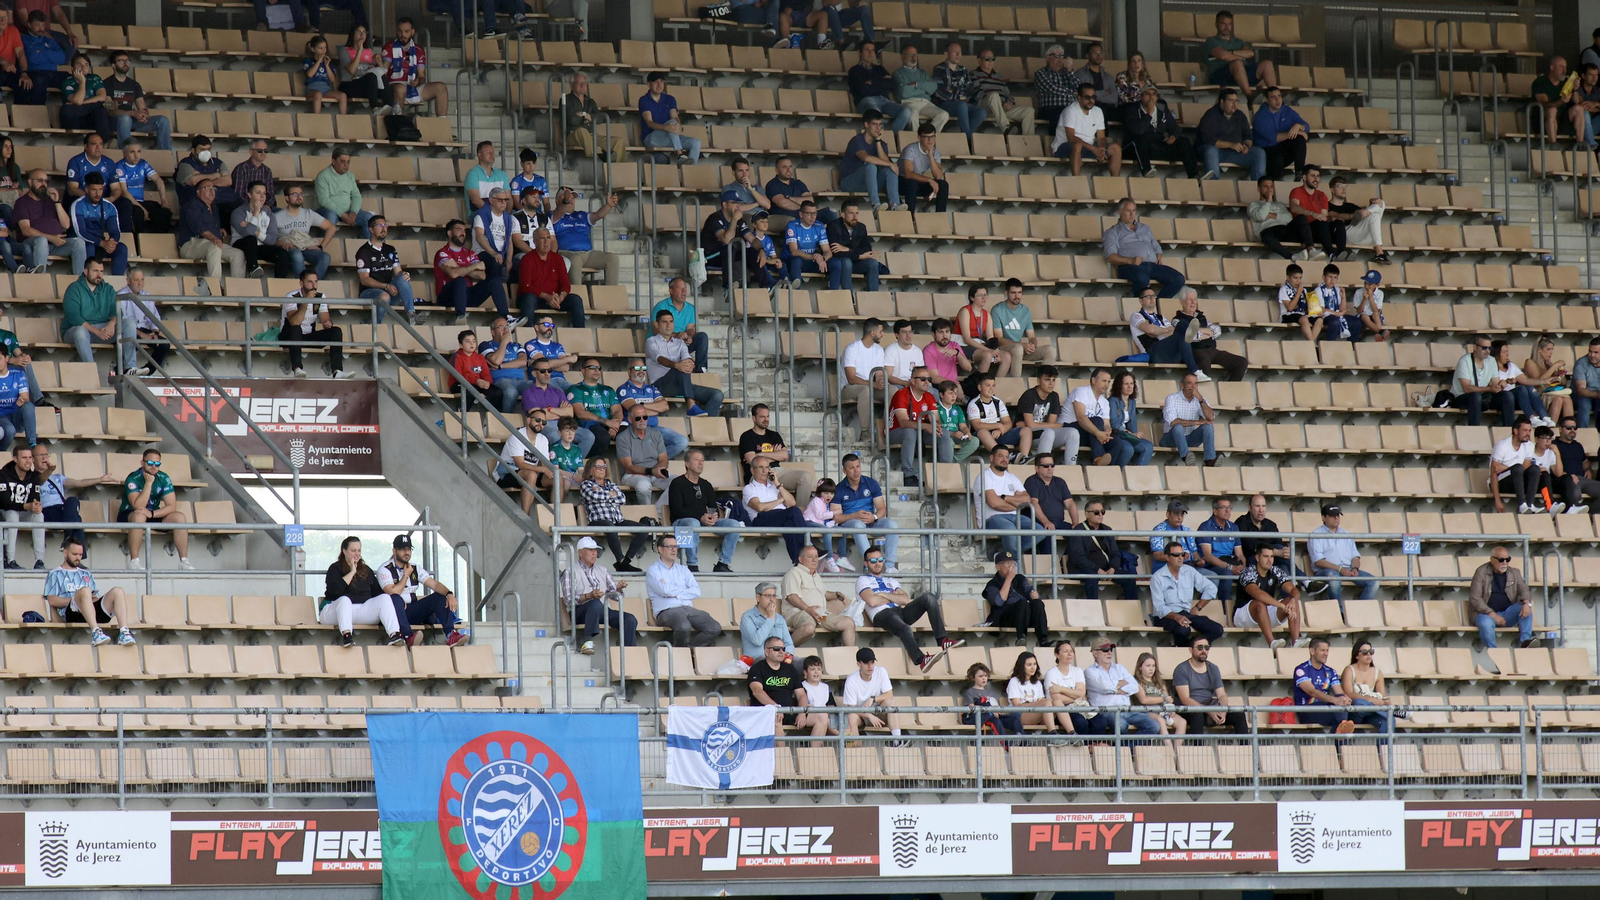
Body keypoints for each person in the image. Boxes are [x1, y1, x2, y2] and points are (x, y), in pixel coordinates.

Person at [855, 550, 960, 674]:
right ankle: (921, 660)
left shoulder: (891, 580)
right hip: (882, 615)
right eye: (872, 561)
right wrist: (893, 596)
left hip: (899, 612)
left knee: (929, 598)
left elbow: (904, 599)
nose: (877, 563)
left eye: (880, 560)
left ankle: (942, 640)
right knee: (905, 628)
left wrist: (882, 594)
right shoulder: (863, 580)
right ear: (866, 563)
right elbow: (872, 601)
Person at [377, 534, 464, 648]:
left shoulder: (415, 568)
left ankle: (451, 634)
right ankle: (408, 637)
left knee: (439, 597)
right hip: (394, 614)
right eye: (402, 549)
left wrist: (449, 594)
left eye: (408, 549)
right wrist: (405, 576)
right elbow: (392, 592)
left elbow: (434, 584)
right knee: (395, 598)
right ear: (394, 551)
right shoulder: (385, 569)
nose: (406, 552)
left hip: (411, 610)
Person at [46, 539, 135, 647]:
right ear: (65, 553)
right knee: (85, 590)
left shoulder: (86, 573)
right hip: (71, 613)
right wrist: (77, 599)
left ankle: (124, 632)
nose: (78, 557)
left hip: (91, 611)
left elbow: (94, 598)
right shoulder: (55, 574)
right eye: (74, 554)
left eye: (80, 554)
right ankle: (96, 633)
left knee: (118, 591)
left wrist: (88, 598)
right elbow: (51, 600)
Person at [666, 449, 742, 574]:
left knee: (734, 524)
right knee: (693, 523)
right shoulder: (677, 483)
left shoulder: (706, 484)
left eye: (702, 460)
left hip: (702, 521)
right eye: (696, 460)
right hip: (681, 522)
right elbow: (677, 510)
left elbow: (713, 507)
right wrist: (701, 518)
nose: (700, 463)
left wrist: (713, 516)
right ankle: (692, 565)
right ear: (687, 463)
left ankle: (722, 563)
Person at [320, 536, 403, 647]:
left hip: (360, 611)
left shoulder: (366, 570)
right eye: (353, 550)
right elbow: (335, 592)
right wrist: (352, 572)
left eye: (359, 550)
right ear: (344, 551)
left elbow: (378, 594)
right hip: (334, 611)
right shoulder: (335, 568)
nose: (357, 554)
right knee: (345, 600)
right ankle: (347, 636)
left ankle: (395, 634)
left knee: (385, 598)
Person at [118, 448, 191, 570]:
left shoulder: (163, 477)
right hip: (130, 514)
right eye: (150, 463)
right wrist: (148, 483)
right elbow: (137, 505)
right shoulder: (133, 478)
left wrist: (152, 513)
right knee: (140, 515)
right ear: (142, 463)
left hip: (151, 514)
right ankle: (134, 561)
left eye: (157, 464)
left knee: (179, 517)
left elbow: (172, 506)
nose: (154, 467)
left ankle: (184, 561)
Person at [578, 458, 652, 572]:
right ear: (591, 470)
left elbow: (622, 499)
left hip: (618, 520)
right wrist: (610, 495)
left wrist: (602, 494)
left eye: (604, 467)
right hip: (598, 520)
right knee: (610, 527)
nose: (602, 469)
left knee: (643, 529)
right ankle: (621, 561)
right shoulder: (586, 484)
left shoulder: (611, 484)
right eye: (598, 467)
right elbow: (594, 497)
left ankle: (626, 561)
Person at [646, 310, 723, 416]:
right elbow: (660, 359)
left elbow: (687, 358)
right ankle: (691, 405)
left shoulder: (680, 343)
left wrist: (691, 364)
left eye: (671, 321)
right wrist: (676, 365)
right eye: (664, 322)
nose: (668, 325)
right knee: (680, 367)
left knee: (717, 394)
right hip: (660, 385)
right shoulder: (651, 341)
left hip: (681, 384)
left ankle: (705, 429)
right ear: (657, 324)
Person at [647, 535, 721, 647]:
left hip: (687, 609)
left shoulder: (683, 569)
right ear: (660, 549)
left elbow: (696, 591)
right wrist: (684, 591)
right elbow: (664, 591)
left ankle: (688, 650)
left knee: (714, 627)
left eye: (676, 547)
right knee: (683, 627)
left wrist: (674, 594)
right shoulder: (653, 570)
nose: (674, 550)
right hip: (666, 611)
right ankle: (680, 653)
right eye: (670, 546)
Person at [36, 443, 111, 551]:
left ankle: (68, 538)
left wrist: (99, 479)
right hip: (46, 511)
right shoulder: (31, 477)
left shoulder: (57, 477)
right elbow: (38, 482)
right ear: (33, 459)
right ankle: (77, 556)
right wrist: (48, 471)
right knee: (77, 519)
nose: (44, 458)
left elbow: (78, 483)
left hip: (62, 511)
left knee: (72, 500)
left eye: (46, 455)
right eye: (40, 455)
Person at [1149, 540, 1224, 647]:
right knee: (1183, 630)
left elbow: (1211, 588)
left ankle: (1192, 647)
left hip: (1186, 614)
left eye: (1182, 554)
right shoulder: (1157, 577)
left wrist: (1197, 608)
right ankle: (1189, 648)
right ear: (1167, 557)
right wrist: (1176, 617)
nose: (1180, 558)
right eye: (1176, 555)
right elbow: (1159, 608)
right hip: (1165, 617)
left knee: (1217, 629)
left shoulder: (1190, 571)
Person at [1104, 199, 1182, 298]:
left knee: (1178, 279)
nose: (1132, 214)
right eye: (1128, 211)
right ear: (1120, 212)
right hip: (1130, 267)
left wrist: (1158, 253)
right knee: (1142, 278)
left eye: (1134, 210)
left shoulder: (1144, 228)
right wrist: (1130, 260)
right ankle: (1140, 308)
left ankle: (1157, 305)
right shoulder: (1113, 232)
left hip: (1152, 265)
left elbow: (1155, 244)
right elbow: (1110, 257)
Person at [1172, 635, 1249, 735]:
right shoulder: (1181, 669)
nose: (1204, 650)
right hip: (1189, 708)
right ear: (1190, 650)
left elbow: (1221, 694)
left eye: (1207, 647)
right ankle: (1197, 750)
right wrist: (1208, 710)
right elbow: (1185, 699)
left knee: (1238, 714)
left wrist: (1224, 710)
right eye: (1200, 647)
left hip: (1209, 705)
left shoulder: (1213, 668)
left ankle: (1246, 749)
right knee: (1197, 714)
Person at [782, 544, 857, 646]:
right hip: (800, 613)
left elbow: (824, 594)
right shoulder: (794, 573)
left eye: (816, 556)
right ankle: (785, 652)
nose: (814, 560)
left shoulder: (815, 575)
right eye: (810, 557)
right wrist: (808, 609)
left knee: (848, 623)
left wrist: (836, 595)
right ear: (801, 559)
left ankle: (851, 659)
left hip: (819, 615)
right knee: (809, 628)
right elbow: (791, 597)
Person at [281, 271, 351, 379]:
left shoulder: (320, 297)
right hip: (289, 337)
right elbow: (294, 322)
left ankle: (337, 371)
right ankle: (297, 369)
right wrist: (306, 301)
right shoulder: (292, 296)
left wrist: (327, 323)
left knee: (336, 331)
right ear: (301, 283)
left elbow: (325, 318)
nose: (314, 285)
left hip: (308, 336)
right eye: (310, 282)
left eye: (316, 282)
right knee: (296, 329)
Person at [744, 455, 812, 566]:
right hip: (761, 519)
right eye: (760, 467)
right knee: (794, 512)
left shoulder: (774, 486)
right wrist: (780, 500)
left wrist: (777, 484)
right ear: (752, 470)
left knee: (790, 524)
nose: (764, 470)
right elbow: (760, 507)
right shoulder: (749, 488)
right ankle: (810, 546)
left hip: (780, 517)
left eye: (767, 467)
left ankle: (798, 561)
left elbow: (791, 503)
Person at [980, 446, 1046, 559]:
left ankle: (1004, 552)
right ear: (991, 458)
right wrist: (1016, 504)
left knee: (1040, 531)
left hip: (1015, 516)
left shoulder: (1012, 477)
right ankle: (1014, 563)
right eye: (1000, 456)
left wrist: (1005, 498)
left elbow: (1027, 500)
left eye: (1007, 457)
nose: (1005, 459)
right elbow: (994, 503)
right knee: (1011, 529)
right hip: (992, 518)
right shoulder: (984, 476)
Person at [1067, 499, 1139, 600]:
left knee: (1129, 577)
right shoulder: (1078, 531)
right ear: (1086, 514)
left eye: (1102, 512)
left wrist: (1112, 569)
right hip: (1086, 569)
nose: (1100, 515)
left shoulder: (1107, 530)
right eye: (1096, 512)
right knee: (1092, 578)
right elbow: (1078, 557)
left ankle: (1132, 608)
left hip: (1106, 569)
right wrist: (1097, 570)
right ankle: (1093, 609)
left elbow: (1115, 553)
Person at [1308, 504, 1378, 607]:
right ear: (1323, 517)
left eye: (1337, 515)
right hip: (1326, 571)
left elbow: (1355, 556)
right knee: (1334, 578)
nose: (1336, 517)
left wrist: (1355, 568)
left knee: (1374, 582)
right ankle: (1339, 613)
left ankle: (1359, 610)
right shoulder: (1315, 534)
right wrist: (1340, 569)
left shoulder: (1345, 533)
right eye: (1332, 515)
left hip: (1347, 568)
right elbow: (1319, 561)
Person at [1236, 544, 1305, 648]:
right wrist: (1281, 606)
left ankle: (1295, 641)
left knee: (1291, 601)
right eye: (1265, 556)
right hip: (1243, 615)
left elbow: (1293, 590)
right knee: (1259, 603)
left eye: (1271, 556)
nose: (1269, 560)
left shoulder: (1275, 571)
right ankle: (1272, 643)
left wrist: (1293, 600)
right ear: (1257, 557)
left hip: (1265, 613)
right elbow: (1258, 594)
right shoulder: (1248, 572)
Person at [616, 358, 687, 459]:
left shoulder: (652, 389)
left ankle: (654, 461)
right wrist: (655, 408)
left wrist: (641, 404)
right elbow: (634, 410)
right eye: (637, 368)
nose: (641, 371)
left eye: (643, 368)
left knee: (682, 442)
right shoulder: (624, 389)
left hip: (654, 428)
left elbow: (665, 406)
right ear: (629, 372)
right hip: (635, 429)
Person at [1083, 640, 1159, 734]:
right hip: (1106, 711)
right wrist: (1120, 685)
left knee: (1154, 725)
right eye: (1105, 649)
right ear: (1095, 653)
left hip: (1126, 709)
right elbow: (1104, 687)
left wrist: (1112, 688)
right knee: (1121, 725)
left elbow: (1135, 687)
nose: (1110, 652)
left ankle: (1129, 747)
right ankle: (1120, 748)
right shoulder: (1090, 671)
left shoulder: (1120, 668)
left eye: (1111, 649)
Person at [177, 181, 246, 284]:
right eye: (207, 187)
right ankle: (215, 287)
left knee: (238, 254)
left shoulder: (213, 206)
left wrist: (218, 230)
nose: (211, 190)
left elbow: (209, 224)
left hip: (209, 243)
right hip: (190, 245)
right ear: (198, 192)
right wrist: (213, 237)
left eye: (213, 188)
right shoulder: (192, 204)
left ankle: (236, 290)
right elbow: (197, 226)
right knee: (215, 247)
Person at [1468, 546, 1536, 649]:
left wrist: (1526, 603)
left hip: (1507, 614)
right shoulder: (1481, 572)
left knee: (1525, 608)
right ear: (1492, 560)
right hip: (1485, 614)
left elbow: (1524, 589)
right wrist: (1493, 614)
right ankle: (1495, 652)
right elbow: (1475, 598)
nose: (1505, 563)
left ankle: (1525, 642)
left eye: (1507, 559)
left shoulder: (1515, 572)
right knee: (1485, 624)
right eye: (1501, 560)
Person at [1123, 85, 1198, 179]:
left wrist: (1173, 137)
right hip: (1138, 149)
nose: (1151, 97)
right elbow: (1139, 131)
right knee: (1139, 139)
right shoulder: (1132, 110)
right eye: (1147, 94)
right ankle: (1146, 170)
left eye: (1154, 94)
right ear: (1141, 96)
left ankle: (1194, 176)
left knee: (1184, 141)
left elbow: (1175, 128)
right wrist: (1149, 114)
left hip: (1158, 146)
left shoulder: (1162, 109)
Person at [550, 186, 620, 286]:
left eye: (572, 198)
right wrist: (565, 201)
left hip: (588, 254)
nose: (570, 200)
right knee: (575, 259)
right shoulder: (553, 215)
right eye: (567, 197)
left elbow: (597, 215)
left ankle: (611, 295)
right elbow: (559, 211)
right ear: (557, 201)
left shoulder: (581, 215)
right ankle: (578, 296)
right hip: (566, 253)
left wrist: (608, 206)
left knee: (613, 259)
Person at [1173, 289, 1248, 380]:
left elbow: (1217, 331)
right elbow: (1189, 336)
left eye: (1195, 299)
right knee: (1204, 362)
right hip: (1195, 350)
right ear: (1182, 302)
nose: (1193, 302)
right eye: (1190, 299)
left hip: (1212, 350)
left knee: (1241, 362)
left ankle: (1230, 390)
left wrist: (1198, 331)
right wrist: (1207, 332)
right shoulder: (1177, 320)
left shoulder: (1201, 317)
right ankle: (1201, 392)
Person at [888, 366, 944, 486]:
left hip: (919, 432)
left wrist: (937, 426)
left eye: (929, 379)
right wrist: (926, 426)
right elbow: (903, 422)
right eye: (923, 379)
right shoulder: (901, 394)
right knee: (910, 431)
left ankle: (945, 476)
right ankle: (908, 475)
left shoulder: (929, 396)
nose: (927, 382)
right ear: (912, 381)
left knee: (943, 433)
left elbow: (936, 419)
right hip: (895, 432)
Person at [434, 217, 497, 324]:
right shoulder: (443, 253)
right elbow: (453, 274)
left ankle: (507, 317)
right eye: (459, 230)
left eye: (464, 230)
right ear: (449, 233)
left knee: (494, 281)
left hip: (467, 296)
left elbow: (482, 276)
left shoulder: (470, 253)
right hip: (448, 297)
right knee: (460, 280)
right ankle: (460, 316)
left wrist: (457, 266)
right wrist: (473, 266)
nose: (463, 233)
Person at [103, 49, 170, 151]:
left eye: (127, 61)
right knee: (125, 118)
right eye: (121, 61)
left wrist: (144, 115)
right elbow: (111, 111)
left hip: (132, 121)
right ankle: (127, 154)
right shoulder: (106, 84)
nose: (125, 63)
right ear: (113, 65)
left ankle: (167, 155)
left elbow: (143, 107)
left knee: (163, 120)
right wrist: (132, 113)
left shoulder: (134, 85)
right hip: (115, 122)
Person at [355, 216, 416, 324]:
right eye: (379, 225)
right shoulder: (363, 251)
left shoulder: (390, 249)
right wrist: (386, 286)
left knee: (402, 278)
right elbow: (364, 279)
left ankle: (411, 314)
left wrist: (405, 274)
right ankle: (375, 324)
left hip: (389, 290)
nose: (383, 228)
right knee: (385, 296)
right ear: (371, 229)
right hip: (369, 292)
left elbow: (398, 272)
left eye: (385, 225)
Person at [517, 228, 585, 326]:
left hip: (554, 299)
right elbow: (526, 286)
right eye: (542, 238)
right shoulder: (527, 259)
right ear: (535, 242)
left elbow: (565, 285)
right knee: (529, 299)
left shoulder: (558, 259)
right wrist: (546, 296)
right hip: (535, 298)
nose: (546, 242)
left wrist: (561, 297)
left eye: (548, 238)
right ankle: (526, 335)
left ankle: (581, 335)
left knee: (576, 299)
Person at [382, 18, 448, 117]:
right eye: (400, 31)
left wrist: (418, 81)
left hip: (412, 87)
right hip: (393, 86)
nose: (402, 35)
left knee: (441, 87)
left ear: (413, 32)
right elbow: (384, 71)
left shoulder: (419, 50)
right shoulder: (389, 46)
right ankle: (396, 123)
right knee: (400, 89)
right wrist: (380, 63)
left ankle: (442, 125)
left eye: (406, 31)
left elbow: (421, 75)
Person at [1196, 88, 1265, 181]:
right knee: (1211, 151)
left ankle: (1259, 186)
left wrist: (1246, 146)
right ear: (1222, 102)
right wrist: (1231, 145)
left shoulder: (1240, 115)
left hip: (1235, 153)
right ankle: (1213, 185)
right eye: (1231, 101)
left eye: (1236, 101)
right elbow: (1208, 139)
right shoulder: (1210, 115)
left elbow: (1248, 136)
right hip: (1216, 152)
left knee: (1259, 153)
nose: (1234, 104)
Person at [839, 110, 901, 213]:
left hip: (869, 183)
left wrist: (877, 142)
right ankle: (876, 205)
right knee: (871, 166)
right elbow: (866, 158)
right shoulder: (857, 140)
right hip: (850, 182)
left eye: (880, 125)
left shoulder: (882, 144)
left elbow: (886, 162)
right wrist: (890, 163)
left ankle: (895, 204)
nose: (878, 128)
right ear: (866, 125)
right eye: (874, 124)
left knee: (889, 170)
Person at [984, 550, 1049, 646]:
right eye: (1007, 563)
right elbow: (999, 601)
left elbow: (1029, 591)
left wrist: (1035, 595)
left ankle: (1043, 639)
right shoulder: (992, 584)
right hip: (1006, 617)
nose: (1011, 566)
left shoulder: (1020, 578)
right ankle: (1021, 637)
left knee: (1038, 603)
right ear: (998, 567)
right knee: (1022, 603)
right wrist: (1008, 579)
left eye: (1012, 563)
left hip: (1024, 615)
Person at [495, 408, 554, 514]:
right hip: (507, 473)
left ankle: (554, 516)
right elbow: (520, 464)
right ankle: (526, 517)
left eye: (543, 422)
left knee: (558, 479)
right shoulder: (517, 436)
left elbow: (545, 462)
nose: (540, 424)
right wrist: (543, 469)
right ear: (528, 420)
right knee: (531, 475)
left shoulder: (543, 439)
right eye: (537, 420)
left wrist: (552, 473)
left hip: (530, 473)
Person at [1292, 638, 1356, 734]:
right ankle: (1342, 731)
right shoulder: (1301, 670)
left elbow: (1339, 691)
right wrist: (1334, 700)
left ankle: (1341, 729)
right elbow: (1312, 691)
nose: (1326, 654)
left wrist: (1345, 699)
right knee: (1339, 713)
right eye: (1323, 650)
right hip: (1307, 710)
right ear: (1312, 651)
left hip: (1326, 709)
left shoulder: (1330, 671)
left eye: (1327, 650)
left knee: (1340, 707)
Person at [1204, 9, 1277, 93]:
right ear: (1216, 24)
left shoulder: (1238, 42)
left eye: (1229, 24)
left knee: (1267, 64)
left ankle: (1274, 96)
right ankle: (1249, 96)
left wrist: (1231, 52)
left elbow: (1250, 53)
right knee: (1237, 63)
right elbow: (1223, 55)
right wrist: (1241, 57)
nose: (1227, 27)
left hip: (1241, 75)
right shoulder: (1211, 41)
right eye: (1223, 24)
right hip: (1219, 77)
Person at [1055, 84, 1121, 175]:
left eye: (1093, 97)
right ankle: (1077, 181)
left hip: (1089, 148)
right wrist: (1094, 149)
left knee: (1116, 148)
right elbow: (1071, 138)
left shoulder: (1098, 111)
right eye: (1087, 97)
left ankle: (1116, 184)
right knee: (1077, 145)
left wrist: (1101, 149)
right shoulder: (1070, 110)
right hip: (1065, 148)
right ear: (1079, 97)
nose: (1091, 100)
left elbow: (1101, 137)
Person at [62, 258, 117, 366]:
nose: (99, 275)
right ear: (86, 272)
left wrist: (112, 323)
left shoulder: (108, 289)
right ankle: (91, 369)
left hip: (102, 330)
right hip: (76, 331)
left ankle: (129, 368)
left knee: (128, 324)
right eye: (95, 271)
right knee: (80, 331)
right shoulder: (74, 288)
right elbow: (74, 317)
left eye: (101, 271)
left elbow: (116, 310)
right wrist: (97, 331)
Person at [112, 141, 174, 238]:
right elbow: (124, 192)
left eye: (139, 151)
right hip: (127, 204)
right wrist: (142, 208)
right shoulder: (119, 167)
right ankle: (138, 244)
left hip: (141, 202)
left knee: (164, 212)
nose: (136, 156)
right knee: (138, 213)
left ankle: (157, 240)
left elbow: (158, 180)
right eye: (132, 152)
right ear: (124, 153)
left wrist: (163, 199)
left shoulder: (143, 163)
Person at [13, 168, 69, 272]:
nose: (43, 184)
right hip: (33, 243)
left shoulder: (51, 200)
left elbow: (66, 225)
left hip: (55, 244)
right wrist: (51, 238)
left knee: (79, 244)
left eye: (46, 181)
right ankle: (40, 278)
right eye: (40, 180)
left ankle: (81, 284)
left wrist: (57, 202)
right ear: (30, 182)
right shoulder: (22, 202)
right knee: (42, 240)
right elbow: (26, 230)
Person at [839, 317, 887, 440]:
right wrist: (873, 384)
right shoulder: (852, 349)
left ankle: (889, 428)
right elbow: (851, 378)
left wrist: (880, 383)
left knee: (892, 390)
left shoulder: (879, 350)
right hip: (849, 388)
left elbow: (879, 374)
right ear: (872, 333)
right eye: (880, 331)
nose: (882, 334)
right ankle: (865, 432)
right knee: (865, 390)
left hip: (870, 386)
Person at [273, 185, 335, 279]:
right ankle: (303, 286)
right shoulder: (277, 216)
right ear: (287, 198)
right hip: (289, 248)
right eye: (295, 194)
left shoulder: (308, 213)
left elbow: (331, 227)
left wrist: (321, 246)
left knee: (325, 257)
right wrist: (282, 244)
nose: (299, 196)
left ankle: (312, 285)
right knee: (297, 255)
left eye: (301, 194)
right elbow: (267, 237)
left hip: (305, 246)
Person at [1014, 366, 1073, 464]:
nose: (1051, 383)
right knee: (1049, 432)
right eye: (1047, 380)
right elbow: (1031, 425)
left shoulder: (1054, 396)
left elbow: (1051, 423)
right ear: (1038, 381)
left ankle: (1071, 468)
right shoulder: (1029, 395)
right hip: (1027, 435)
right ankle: (1042, 465)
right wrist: (1057, 425)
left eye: (1053, 380)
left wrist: (1051, 425)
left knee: (1072, 432)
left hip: (1044, 433)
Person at [639, 72, 701, 163]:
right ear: (649, 84)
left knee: (696, 142)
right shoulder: (644, 100)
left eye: (661, 82)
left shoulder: (670, 99)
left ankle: (690, 171)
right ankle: (680, 155)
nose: (659, 85)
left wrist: (678, 126)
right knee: (671, 123)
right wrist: (666, 127)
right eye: (656, 82)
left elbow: (675, 116)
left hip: (669, 136)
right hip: (651, 138)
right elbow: (649, 122)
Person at [1455, 334, 1515, 427]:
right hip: (1462, 397)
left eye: (1489, 348)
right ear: (1475, 347)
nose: (1487, 351)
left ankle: (1509, 431)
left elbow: (1495, 384)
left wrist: (1503, 384)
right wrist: (1489, 389)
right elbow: (1466, 388)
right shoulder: (1465, 361)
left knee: (1507, 396)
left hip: (1483, 397)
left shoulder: (1491, 360)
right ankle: (1474, 431)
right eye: (1484, 348)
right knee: (1475, 397)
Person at [615, 408, 670, 508]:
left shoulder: (655, 434)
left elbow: (664, 459)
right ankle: (648, 515)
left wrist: (659, 468)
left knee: (678, 483)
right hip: (633, 474)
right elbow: (628, 467)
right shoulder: (622, 437)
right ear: (630, 419)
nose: (642, 420)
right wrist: (651, 471)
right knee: (643, 486)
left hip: (654, 473)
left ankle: (657, 513)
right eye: (638, 418)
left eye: (645, 417)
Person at [313, 146, 372, 239]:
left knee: (370, 218)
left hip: (347, 211)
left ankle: (368, 251)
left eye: (348, 162)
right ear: (333, 161)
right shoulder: (323, 176)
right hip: (327, 210)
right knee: (330, 217)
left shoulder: (350, 176)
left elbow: (357, 196)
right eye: (342, 161)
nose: (346, 165)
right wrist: (342, 214)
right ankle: (323, 248)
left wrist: (354, 212)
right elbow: (323, 200)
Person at [1327, 176, 1389, 264]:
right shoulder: (1327, 205)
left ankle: (1380, 254)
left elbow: (1363, 211)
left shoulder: (1350, 206)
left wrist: (1372, 202)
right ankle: (1380, 253)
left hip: (1363, 236)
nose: (1344, 190)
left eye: (1346, 187)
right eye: (1340, 187)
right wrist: (1353, 216)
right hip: (1344, 235)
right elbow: (1335, 215)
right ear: (1332, 190)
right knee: (1373, 215)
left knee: (1380, 204)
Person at [931, 41, 986, 140]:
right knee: (962, 105)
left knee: (982, 112)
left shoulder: (963, 69)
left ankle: (963, 137)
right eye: (954, 52)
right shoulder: (939, 69)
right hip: (944, 104)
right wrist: (959, 96)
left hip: (961, 103)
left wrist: (953, 91)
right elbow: (939, 92)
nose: (958, 55)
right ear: (946, 54)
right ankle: (968, 139)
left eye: (960, 52)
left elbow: (969, 90)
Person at [563, 73, 625, 161]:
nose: (583, 86)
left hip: (592, 135)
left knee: (618, 141)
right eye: (579, 83)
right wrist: (587, 118)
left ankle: (621, 168)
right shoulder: (566, 100)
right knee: (581, 130)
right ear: (571, 85)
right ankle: (600, 154)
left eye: (585, 83)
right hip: (573, 135)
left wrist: (587, 115)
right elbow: (571, 119)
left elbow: (601, 118)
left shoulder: (590, 101)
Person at [651, 277, 708, 373]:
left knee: (702, 337)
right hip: (664, 345)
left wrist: (688, 336)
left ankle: (700, 369)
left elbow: (690, 328)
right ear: (671, 291)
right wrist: (676, 335)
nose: (684, 292)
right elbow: (656, 331)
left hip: (681, 344)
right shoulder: (661, 307)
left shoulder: (690, 308)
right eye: (680, 288)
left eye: (685, 288)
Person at [1339, 640, 1396, 736]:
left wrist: (1385, 701)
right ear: (1357, 655)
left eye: (1371, 652)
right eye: (1365, 653)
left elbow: (1382, 696)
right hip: (1355, 712)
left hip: (1370, 713)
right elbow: (1349, 693)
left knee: (1389, 720)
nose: (1369, 655)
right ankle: (1393, 712)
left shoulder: (1378, 673)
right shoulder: (1349, 670)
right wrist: (1371, 700)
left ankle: (1384, 749)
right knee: (1358, 702)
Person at [996, 278, 1055, 369]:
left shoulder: (1025, 311)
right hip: (1003, 349)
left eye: (1019, 292)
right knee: (1018, 349)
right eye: (1013, 293)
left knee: (1050, 350)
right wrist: (1022, 345)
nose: (1017, 296)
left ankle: (1045, 379)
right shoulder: (997, 310)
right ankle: (1016, 381)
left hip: (1020, 349)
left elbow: (1032, 337)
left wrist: (1032, 345)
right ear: (1006, 293)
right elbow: (999, 339)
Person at [1195, 497, 1244, 609]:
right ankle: (1224, 611)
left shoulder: (1234, 527)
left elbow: (1240, 554)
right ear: (1215, 510)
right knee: (1226, 575)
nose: (1227, 511)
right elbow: (1208, 556)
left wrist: (1243, 566)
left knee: (1249, 574)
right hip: (1212, 565)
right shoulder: (1205, 527)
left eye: (1229, 508)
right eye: (1223, 508)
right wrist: (1230, 567)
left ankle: (1242, 610)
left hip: (1229, 562)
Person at [229, 181, 284, 277]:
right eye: (258, 193)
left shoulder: (269, 214)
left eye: (264, 193)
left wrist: (255, 231)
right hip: (241, 245)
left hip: (259, 247)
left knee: (282, 254)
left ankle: (280, 285)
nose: (262, 196)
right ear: (249, 195)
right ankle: (253, 269)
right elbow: (247, 234)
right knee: (251, 239)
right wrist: (256, 213)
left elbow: (271, 240)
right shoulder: (238, 212)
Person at [748, 634, 803, 732]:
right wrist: (775, 708)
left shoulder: (790, 669)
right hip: (768, 713)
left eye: (783, 648)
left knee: (821, 718)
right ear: (766, 651)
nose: (781, 651)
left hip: (790, 712)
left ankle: (816, 748)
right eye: (777, 648)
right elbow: (757, 691)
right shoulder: (757, 669)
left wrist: (802, 713)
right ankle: (782, 748)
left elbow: (801, 694)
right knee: (776, 721)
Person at [1253, 86, 1310, 180]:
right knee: (1277, 158)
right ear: (1266, 100)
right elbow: (1273, 138)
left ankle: (1299, 174)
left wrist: (1299, 126)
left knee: (1299, 140)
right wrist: (1296, 133)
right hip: (1267, 151)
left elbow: (1307, 126)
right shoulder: (1260, 116)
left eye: (1279, 96)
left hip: (1282, 149)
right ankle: (1275, 186)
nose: (1277, 99)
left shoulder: (1287, 110)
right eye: (1273, 97)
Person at [0, 443, 42, 568]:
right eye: (24, 458)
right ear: (15, 459)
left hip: (23, 512)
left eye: (30, 458)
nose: (28, 461)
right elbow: (4, 501)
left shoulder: (34, 476)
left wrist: (36, 505)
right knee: (13, 515)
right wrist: (26, 506)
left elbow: (36, 497)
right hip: (4, 512)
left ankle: (39, 561)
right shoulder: (3, 475)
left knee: (39, 516)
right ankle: (10, 560)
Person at [1161, 373, 1218, 465]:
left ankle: (1210, 460)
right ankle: (1186, 457)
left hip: (1190, 438)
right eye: (1189, 383)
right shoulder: (1172, 398)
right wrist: (1197, 422)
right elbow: (1173, 422)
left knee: (1208, 427)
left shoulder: (1199, 400)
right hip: (1170, 439)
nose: (1193, 386)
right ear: (1182, 385)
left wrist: (1200, 399)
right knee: (1178, 427)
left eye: (1195, 384)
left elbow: (1210, 417)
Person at [973, 48, 1034, 135]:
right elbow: (977, 94)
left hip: (1001, 109)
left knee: (1029, 111)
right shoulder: (973, 74)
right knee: (994, 95)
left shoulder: (999, 77)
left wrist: (1008, 103)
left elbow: (1008, 94)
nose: (990, 61)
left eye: (992, 58)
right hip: (985, 107)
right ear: (979, 60)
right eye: (987, 59)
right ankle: (1005, 128)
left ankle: (1029, 142)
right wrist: (997, 101)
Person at [841, 646, 899, 736]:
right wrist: (869, 715)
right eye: (866, 663)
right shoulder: (851, 680)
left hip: (879, 712)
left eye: (872, 662)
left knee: (891, 703)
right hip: (862, 716)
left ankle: (897, 741)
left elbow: (889, 694)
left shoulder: (881, 671)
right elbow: (852, 708)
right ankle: (855, 748)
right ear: (859, 664)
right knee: (851, 717)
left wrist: (873, 699)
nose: (870, 666)